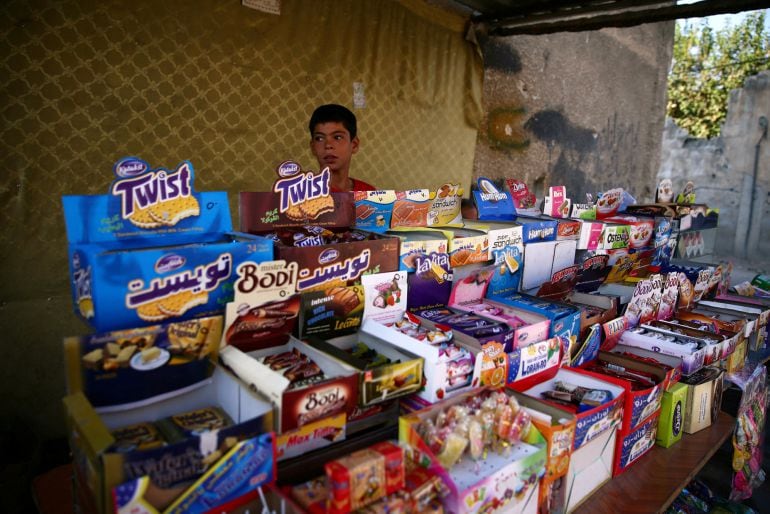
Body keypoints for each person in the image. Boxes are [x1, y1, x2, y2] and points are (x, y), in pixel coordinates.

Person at [308, 104, 376, 192]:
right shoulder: (298, 195)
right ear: (313, 147)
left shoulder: (368, 193)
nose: (328, 145)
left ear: (354, 144)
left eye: (337, 137)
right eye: (319, 138)